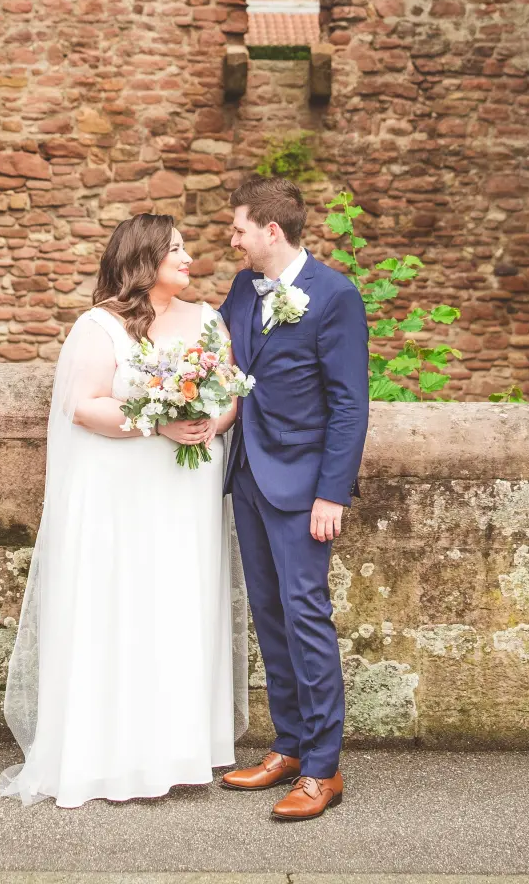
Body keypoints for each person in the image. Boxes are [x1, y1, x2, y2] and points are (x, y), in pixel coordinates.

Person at [0, 213, 248, 807]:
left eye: (187, 249)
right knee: (125, 605)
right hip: (125, 492)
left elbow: (232, 393)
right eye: (176, 249)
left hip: (186, 492)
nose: (189, 258)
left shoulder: (208, 320)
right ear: (144, 259)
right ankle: (111, 752)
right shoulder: (99, 327)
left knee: (180, 605)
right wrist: (161, 422)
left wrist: (214, 419)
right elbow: (84, 408)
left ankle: (176, 748)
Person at [217, 174, 370, 821]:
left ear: (270, 232)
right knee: (270, 615)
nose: (232, 240)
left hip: (305, 488)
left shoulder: (335, 297)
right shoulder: (240, 290)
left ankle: (323, 769)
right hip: (248, 475)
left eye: (239, 229)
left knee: (306, 615)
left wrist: (331, 494)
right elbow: (218, 359)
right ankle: (288, 744)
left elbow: (349, 405)